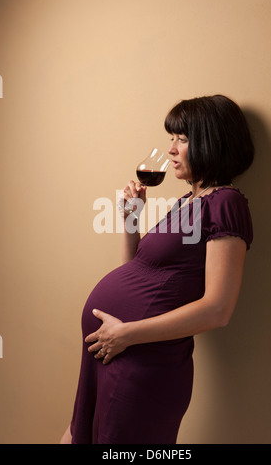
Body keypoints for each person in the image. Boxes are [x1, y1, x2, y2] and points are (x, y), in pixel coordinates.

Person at [60, 94, 254, 444]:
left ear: (212, 141)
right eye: (171, 139)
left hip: (143, 361)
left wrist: (126, 333)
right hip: (112, 350)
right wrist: (131, 219)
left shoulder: (227, 203)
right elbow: (137, 272)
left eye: (182, 139)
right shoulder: (186, 202)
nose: (171, 150)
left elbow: (218, 310)